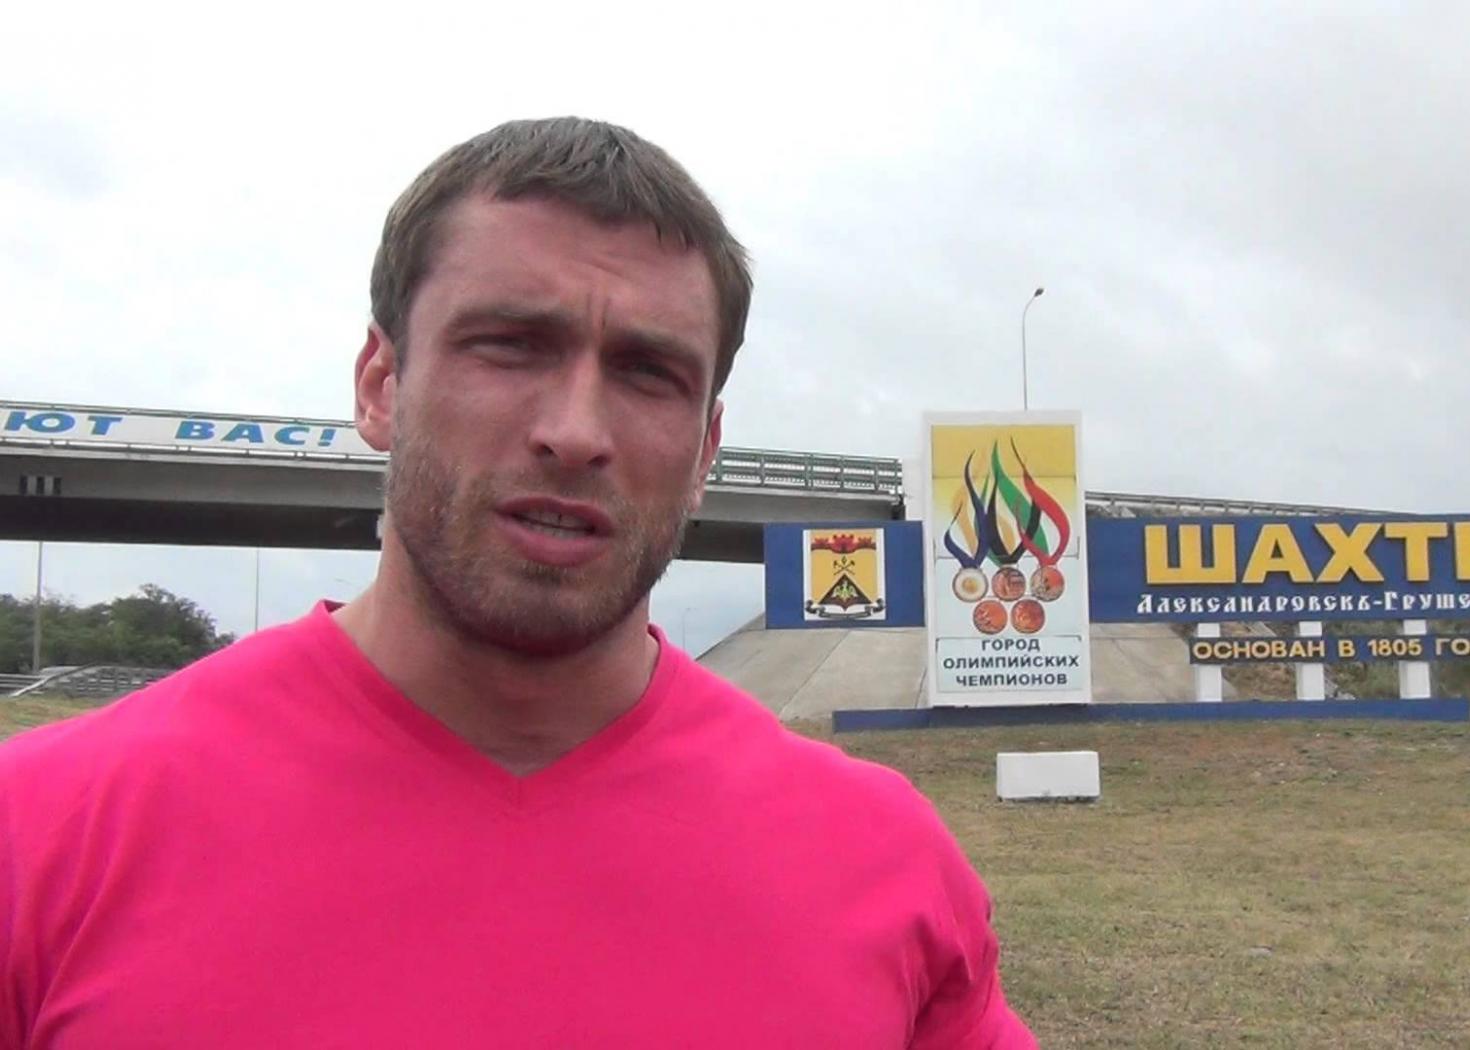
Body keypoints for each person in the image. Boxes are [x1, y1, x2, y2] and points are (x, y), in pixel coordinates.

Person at [0, 117, 1037, 1048]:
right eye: (508, 346)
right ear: (381, 384)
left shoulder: (886, 864)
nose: (576, 432)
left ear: (707, 448)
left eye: (649, 373)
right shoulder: (41, 835)